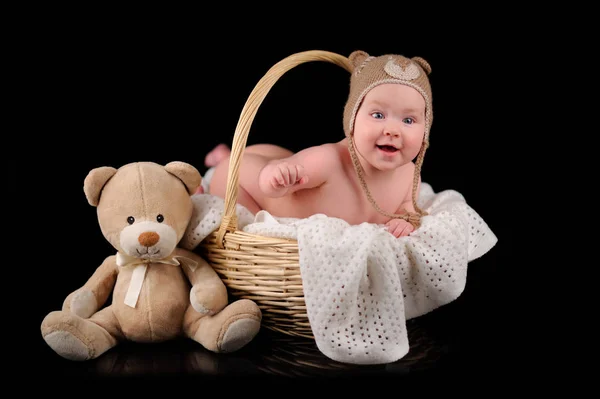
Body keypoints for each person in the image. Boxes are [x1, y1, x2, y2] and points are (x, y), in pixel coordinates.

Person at [201, 50, 433, 238]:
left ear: (425, 128)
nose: (392, 131)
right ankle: (221, 163)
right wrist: (279, 177)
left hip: (274, 154)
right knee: (247, 209)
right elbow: (269, 185)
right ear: (352, 119)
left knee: (274, 154)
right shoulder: (328, 160)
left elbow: (408, 206)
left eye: (409, 120)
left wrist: (405, 217)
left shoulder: (410, 175)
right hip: (245, 181)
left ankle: (224, 154)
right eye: (378, 115)